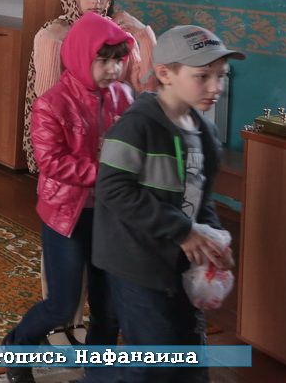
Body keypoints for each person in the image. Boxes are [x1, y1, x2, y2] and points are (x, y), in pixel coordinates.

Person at [94, 25, 241, 381]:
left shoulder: (204, 134)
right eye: (203, 76)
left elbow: (200, 197)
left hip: (178, 264)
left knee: (190, 358)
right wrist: (182, 230)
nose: (216, 87)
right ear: (164, 73)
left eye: (221, 76)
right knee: (153, 361)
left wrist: (214, 240)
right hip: (136, 263)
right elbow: (113, 188)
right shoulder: (136, 126)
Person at [1, 13, 133, 383]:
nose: (112, 69)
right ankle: (18, 345)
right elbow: (52, 162)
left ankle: (99, 374)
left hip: (110, 217)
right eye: (103, 60)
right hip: (65, 217)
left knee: (109, 307)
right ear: (80, 56)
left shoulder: (125, 97)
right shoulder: (52, 103)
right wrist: (105, 172)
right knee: (62, 304)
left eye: (118, 60)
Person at [23, 0, 156, 173]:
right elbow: (50, 105)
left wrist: (143, 35)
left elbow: (147, 88)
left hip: (109, 143)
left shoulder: (116, 34)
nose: (96, 1)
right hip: (72, 148)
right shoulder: (54, 35)